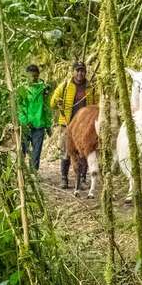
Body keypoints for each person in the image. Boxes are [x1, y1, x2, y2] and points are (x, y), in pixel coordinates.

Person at [49, 61, 97, 189]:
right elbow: (52, 103)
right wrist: (58, 101)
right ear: (73, 71)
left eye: (82, 70)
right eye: (78, 70)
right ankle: (64, 179)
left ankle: (82, 179)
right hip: (67, 123)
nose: (80, 73)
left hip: (84, 126)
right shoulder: (65, 86)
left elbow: (96, 105)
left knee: (85, 152)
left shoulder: (90, 88)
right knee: (66, 151)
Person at [17, 64, 52, 170]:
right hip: (25, 126)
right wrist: (24, 121)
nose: (33, 78)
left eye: (35, 76)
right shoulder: (22, 89)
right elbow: (19, 107)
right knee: (22, 150)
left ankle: (34, 174)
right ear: (27, 76)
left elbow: (46, 108)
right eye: (31, 76)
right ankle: (22, 174)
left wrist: (48, 126)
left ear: (38, 75)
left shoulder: (43, 89)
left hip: (39, 125)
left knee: (36, 152)